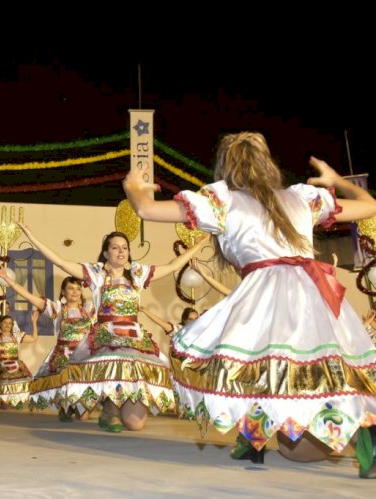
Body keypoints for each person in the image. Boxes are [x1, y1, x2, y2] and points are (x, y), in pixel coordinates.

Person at [124, 131, 376, 476]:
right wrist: (336, 181)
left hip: (265, 292)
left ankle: (263, 439)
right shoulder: (300, 198)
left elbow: (146, 209)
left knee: (245, 364)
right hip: (314, 291)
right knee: (325, 369)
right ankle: (275, 439)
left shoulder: (223, 200)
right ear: (267, 163)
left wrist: (133, 188)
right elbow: (371, 206)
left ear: (224, 167)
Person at [17, 224, 206, 433]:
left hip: (135, 338)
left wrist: (199, 244)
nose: (121, 251)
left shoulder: (137, 273)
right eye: (115, 247)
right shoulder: (96, 273)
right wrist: (32, 238)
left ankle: (117, 406)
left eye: (125, 247)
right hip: (106, 337)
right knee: (111, 367)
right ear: (106, 252)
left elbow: (172, 266)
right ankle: (110, 409)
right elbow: (60, 261)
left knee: (136, 425)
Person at [0, 261, 94, 421]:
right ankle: (65, 405)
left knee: (84, 417)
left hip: (84, 358)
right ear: (63, 291)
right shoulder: (57, 309)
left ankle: (82, 406)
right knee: (66, 393)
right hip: (64, 358)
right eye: (70, 288)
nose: (74, 292)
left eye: (78, 289)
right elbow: (28, 296)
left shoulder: (89, 309)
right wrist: (8, 279)